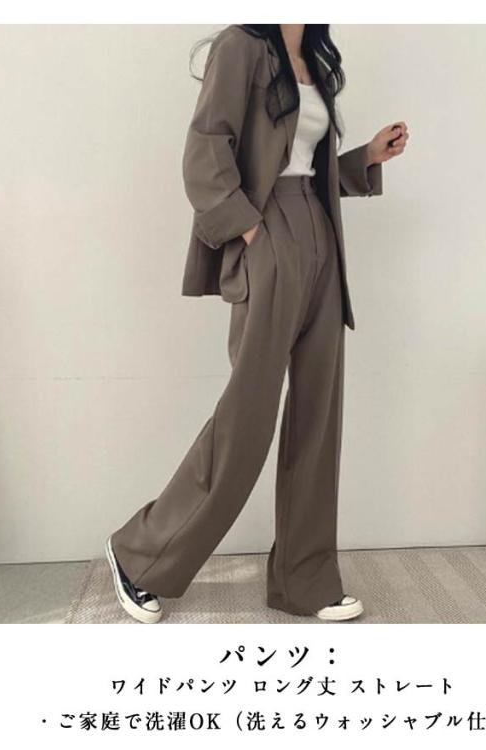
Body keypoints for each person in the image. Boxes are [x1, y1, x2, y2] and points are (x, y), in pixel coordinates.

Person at [105, 23, 409, 624]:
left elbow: (305, 167)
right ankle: (139, 553)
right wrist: (249, 229)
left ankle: (304, 579)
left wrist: (367, 158)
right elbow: (205, 149)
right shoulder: (240, 47)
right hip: (267, 234)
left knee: (318, 415)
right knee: (248, 417)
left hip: (320, 233)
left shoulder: (315, 58)